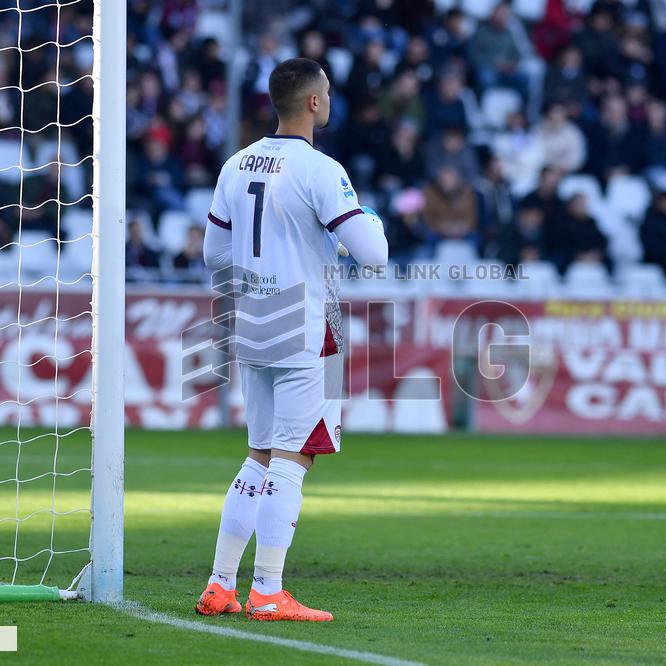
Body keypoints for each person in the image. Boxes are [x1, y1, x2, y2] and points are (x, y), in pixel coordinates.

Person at [197, 58, 388, 622]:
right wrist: (368, 221)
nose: (329, 99)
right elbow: (373, 253)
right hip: (311, 329)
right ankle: (268, 591)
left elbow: (214, 255)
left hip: (253, 326)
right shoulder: (321, 169)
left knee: (258, 455)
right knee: (293, 458)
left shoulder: (235, 164)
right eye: (326, 92)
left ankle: (219, 583)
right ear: (312, 102)